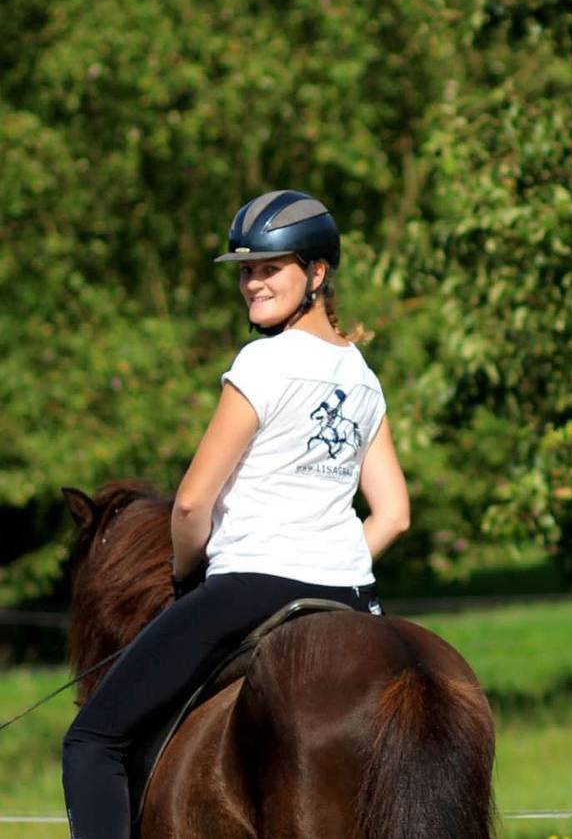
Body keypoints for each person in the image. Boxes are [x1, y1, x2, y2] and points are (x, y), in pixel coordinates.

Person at [61, 190, 411, 839]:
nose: (251, 282)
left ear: (318, 273)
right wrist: (331, 560)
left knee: (92, 744)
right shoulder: (362, 376)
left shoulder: (263, 361)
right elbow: (392, 515)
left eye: (268, 268)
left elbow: (193, 501)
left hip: (247, 588)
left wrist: (185, 574)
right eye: (245, 269)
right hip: (352, 596)